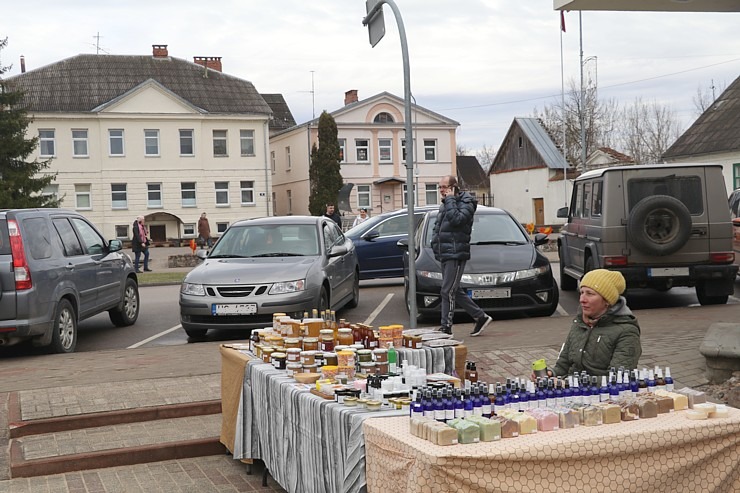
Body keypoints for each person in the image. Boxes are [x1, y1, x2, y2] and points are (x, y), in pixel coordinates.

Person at [549, 269, 642, 378]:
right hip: (571, 390)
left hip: (601, 394)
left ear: (607, 301)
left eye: (590, 294)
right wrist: (551, 374)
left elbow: (618, 378)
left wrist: (573, 383)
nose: (582, 299)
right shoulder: (579, 323)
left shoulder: (626, 331)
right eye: (582, 292)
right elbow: (563, 364)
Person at [431, 175, 492, 336]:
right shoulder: (446, 203)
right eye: (440, 187)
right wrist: (435, 244)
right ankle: (480, 317)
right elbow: (439, 227)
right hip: (445, 252)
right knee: (454, 290)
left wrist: (450, 200)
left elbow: (457, 220)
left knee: (447, 291)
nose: (442, 190)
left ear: (453, 187)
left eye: (444, 187)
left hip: (456, 252)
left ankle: (446, 327)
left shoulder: (467, 202)